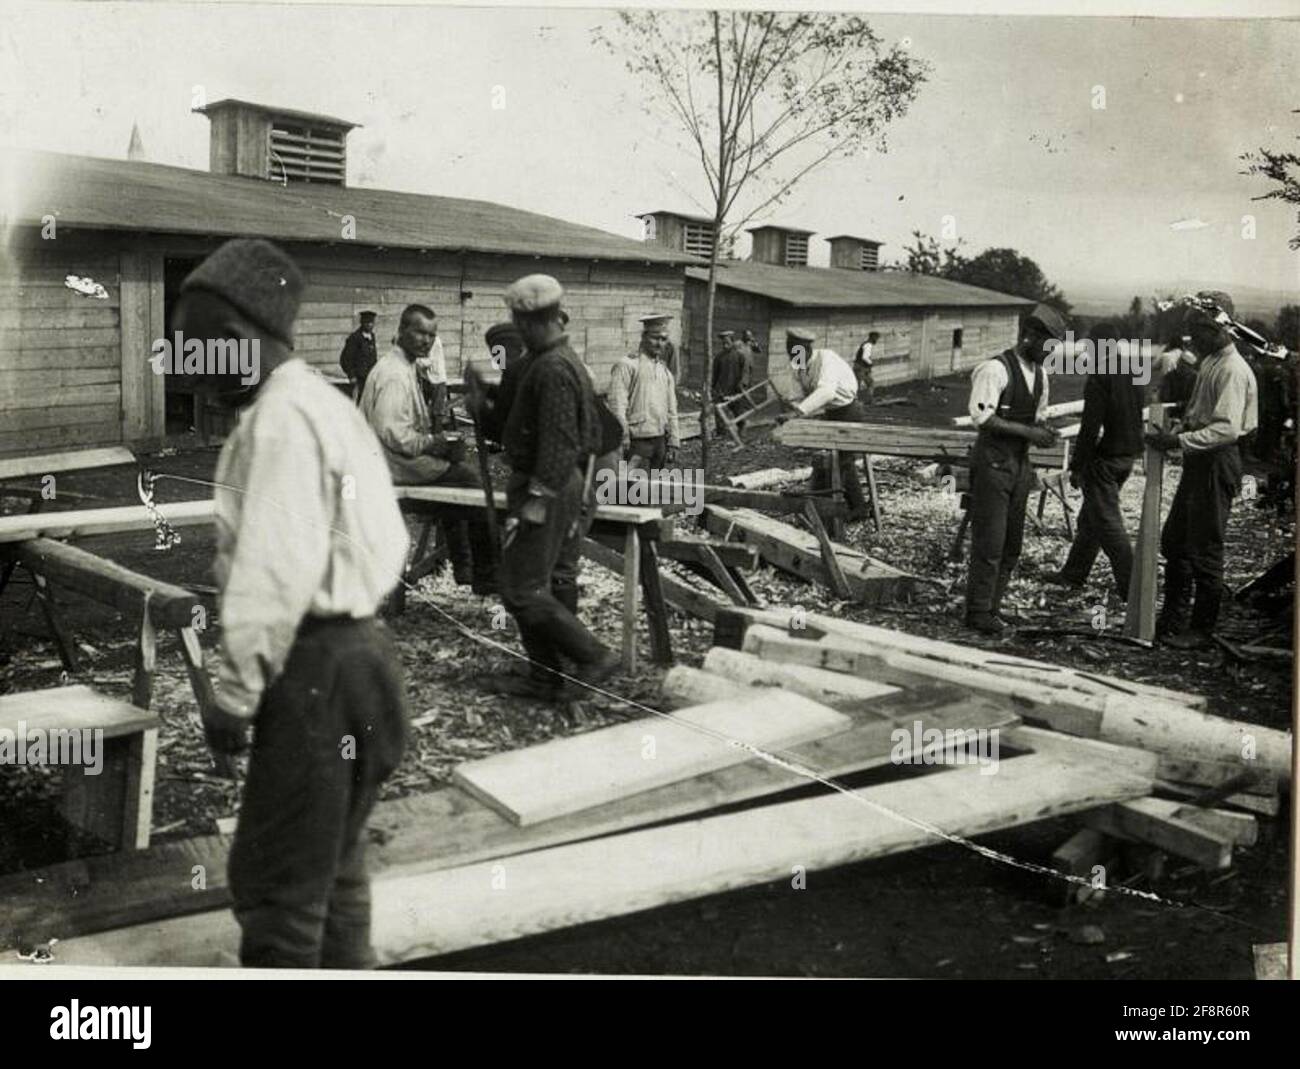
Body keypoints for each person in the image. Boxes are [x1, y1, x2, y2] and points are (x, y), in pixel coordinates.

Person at [174, 239, 410, 968]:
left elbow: (271, 577)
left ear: (242, 335)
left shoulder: (278, 422)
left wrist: (236, 698)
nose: (187, 366)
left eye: (197, 348)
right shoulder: (321, 405)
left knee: (277, 891)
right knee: (332, 871)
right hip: (365, 663)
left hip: (316, 671)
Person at [487, 274, 620, 700]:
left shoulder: (553, 369)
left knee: (521, 588)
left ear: (526, 322)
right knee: (549, 580)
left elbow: (560, 443)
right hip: (558, 482)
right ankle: (546, 677)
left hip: (550, 485)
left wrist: (538, 501)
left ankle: (594, 655)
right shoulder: (552, 362)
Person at [1146, 291, 1259, 648]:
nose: (1192, 339)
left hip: (1218, 461)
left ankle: (1201, 629)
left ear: (1218, 328)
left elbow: (1225, 428)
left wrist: (1178, 443)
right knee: (1175, 541)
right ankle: (1173, 618)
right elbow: (1199, 414)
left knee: (1205, 549)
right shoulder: (1211, 361)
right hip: (1201, 461)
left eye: (1198, 330)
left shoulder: (1232, 369)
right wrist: (1178, 430)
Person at [360, 303, 496, 594]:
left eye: (431, 335)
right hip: (390, 465)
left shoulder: (406, 366)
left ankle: (464, 567)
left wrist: (441, 444)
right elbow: (393, 433)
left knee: (456, 478)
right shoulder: (394, 374)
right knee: (470, 482)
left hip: (391, 460)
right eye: (419, 332)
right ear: (401, 331)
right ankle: (483, 572)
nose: (426, 340)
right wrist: (433, 444)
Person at [963, 304, 1066, 634]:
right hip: (993, 463)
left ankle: (992, 608)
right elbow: (983, 417)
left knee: (1011, 545)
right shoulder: (994, 369)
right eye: (1046, 346)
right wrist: (1030, 433)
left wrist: (1047, 432)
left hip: (1020, 465)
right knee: (990, 543)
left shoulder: (1040, 375)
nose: (1049, 354)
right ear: (1029, 336)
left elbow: (1038, 417)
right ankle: (977, 612)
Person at [1044, 321, 1143, 593]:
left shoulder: (1100, 375)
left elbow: (1089, 428)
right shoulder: (1133, 370)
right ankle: (1073, 575)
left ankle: (1133, 587)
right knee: (1091, 519)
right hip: (1127, 455)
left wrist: (1077, 466)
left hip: (1106, 460)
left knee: (1109, 525)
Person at [775, 327, 871, 520]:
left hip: (849, 412)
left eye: (797, 352)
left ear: (808, 349)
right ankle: (834, 505)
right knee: (828, 459)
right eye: (791, 352)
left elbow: (826, 392)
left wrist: (798, 411)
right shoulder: (799, 365)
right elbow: (801, 394)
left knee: (843, 461)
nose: (794, 357)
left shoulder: (826, 359)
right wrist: (790, 407)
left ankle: (853, 508)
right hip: (831, 413)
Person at [607, 313, 681, 470]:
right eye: (655, 338)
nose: (659, 343)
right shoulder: (627, 365)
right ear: (644, 336)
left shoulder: (664, 371)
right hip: (638, 441)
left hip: (660, 441)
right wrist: (623, 435)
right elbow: (617, 404)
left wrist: (674, 440)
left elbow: (671, 409)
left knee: (653, 487)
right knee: (634, 489)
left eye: (663, 339)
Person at [711, 329, 753, 434]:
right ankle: (721, 432)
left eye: (727, 343)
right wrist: (714, 387)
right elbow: (715, 374)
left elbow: (745, 372)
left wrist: (742, 384)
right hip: (722, 388)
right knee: (719, 411)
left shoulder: (740, 356)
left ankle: (741, 428)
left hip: (735, 388)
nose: (725, 346)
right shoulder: (719, 357)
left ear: (732, 342)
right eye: (723, 343)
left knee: (738, 410)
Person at [414, 316, 450, 434]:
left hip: (438, 380)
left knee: (437, 412)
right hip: (427, 379)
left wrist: (416, 362)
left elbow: (430, 361)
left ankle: (437, 438)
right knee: (422, 409)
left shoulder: (435, 341)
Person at [338, 310, 378, 402]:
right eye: (367, 323)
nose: (369, 325)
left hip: (370, 378)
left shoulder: (372, 337)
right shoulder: (355, 338)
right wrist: (351, 375)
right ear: (362, 323)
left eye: (371, 323)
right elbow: (345, 359)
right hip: (359, 379)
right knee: (358, 402)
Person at [853, 331, 880, 406]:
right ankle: (854, 402)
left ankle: (869, 399)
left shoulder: (867, 344)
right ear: (873, 337)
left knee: (869, 382)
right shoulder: (868, 345)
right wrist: (871, 363)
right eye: (876, 338)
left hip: (861, 367)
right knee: (858, 384)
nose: (876, 340)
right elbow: (865, 357)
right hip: (861, 367)